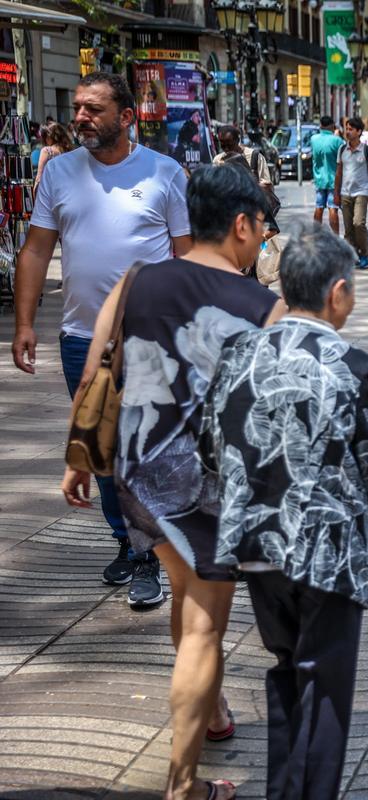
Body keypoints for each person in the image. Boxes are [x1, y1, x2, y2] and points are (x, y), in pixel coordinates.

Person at [61, 164, 283, 800]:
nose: (261, 240)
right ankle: (183, 788)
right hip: (207, 483)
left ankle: (209, 714)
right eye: (261, 228)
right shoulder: (263, 307)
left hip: (136, 468)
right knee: (207, 623)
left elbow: (96, 371)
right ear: (241, 224)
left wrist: (76, 459)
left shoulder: (137, 280)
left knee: (184, 595)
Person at [202, 222, 368, 799]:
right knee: (325, 689)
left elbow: (212, 444)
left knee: (286, 672)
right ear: (336, 292)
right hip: (328, 553)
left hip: (256, 550)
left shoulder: (237, 355)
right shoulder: (358, 367)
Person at [12, 72, 191, 607]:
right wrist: (25, 323)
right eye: (79, 108)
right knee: (101, 450)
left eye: (94, 109)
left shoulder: (164, 173)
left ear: (127, 117)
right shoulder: (60, 173)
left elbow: (186, 256)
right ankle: (127, 543)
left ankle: (150, 554)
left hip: (151, 338)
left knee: (145, 452)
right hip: (80, 338)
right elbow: (38, 250)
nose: (82, 117)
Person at [334, 117, 368, 269]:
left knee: (358, 223)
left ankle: (364, 253)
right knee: (348, 229)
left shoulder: (367, 150)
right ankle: (351, 256)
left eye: (351, 129)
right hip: (345, 192)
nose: (348, 132)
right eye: (347, 128)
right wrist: (336, 193)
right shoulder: (342, 150)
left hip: (362, 191)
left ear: (359, 132)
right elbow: (338, 173)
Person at [310, 116, 343, 235]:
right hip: (334, 180)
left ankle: (316, 234)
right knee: (333, 208)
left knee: (319, 206)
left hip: (319, 180)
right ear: (332, 126)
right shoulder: (337, 140)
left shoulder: (314, 139)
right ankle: (335, 236)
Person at [33, 122, 73, 193]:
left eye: (44, 136)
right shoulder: (70, 150)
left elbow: (39, 179)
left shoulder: (47, 151)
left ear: (49, 137)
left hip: (52, 194)